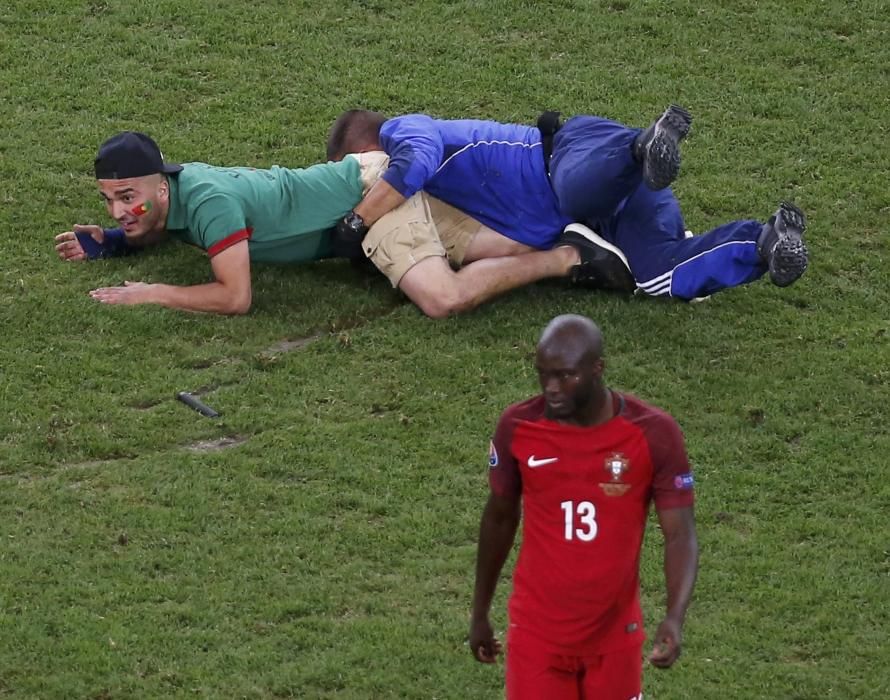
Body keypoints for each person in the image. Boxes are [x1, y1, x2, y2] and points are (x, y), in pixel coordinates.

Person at [54, 132, 614, 317]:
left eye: (127, 198)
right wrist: (114, 243)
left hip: (372, 205)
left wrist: (156, 293)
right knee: (510, 243)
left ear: (159, 184)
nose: (121, 211)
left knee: (442, 299)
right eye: (108, 202)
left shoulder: (207, 203)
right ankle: (595, 226)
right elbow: (154, 225)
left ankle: (567, 256)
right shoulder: (172, 194)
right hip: (372, 192)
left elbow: (236, 296)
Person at [327, 106, 808, 304]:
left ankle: (644, 146)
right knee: (657, 276)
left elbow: (415, 163)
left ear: (367, 146)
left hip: (574, 155)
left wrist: (358, 219)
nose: (363, 181)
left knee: (575, 189)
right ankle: (766, 243)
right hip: (612, 208)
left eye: (357, 167)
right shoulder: (431, 201)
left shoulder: (405, 131)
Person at [469, 314, 698, 699]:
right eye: (543, 374)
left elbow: (680, 533)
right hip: (536, 636)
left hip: (615, 639)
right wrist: (479, 612)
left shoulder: (653, 433)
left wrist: (675, 617)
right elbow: (499, 518)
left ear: (597, 370)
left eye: (565, 376)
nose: (551, 388)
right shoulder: (518, 426)